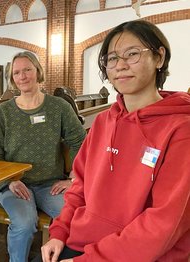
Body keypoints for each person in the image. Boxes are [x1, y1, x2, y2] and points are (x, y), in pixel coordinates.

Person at [41, 20, 190, 262]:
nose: (120, 65)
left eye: (132, 54)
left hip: (141, 255)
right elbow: (79, 186)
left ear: (159, 58)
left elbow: (163, 224)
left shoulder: (181, 129)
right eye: (111, 58)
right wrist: (59, 232)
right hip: (82, 242)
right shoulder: (102, 122)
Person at [0, 51, 86, 262]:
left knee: (75, 219)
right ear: (12, 78)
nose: (22, 76)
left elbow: (80, 142)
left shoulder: (59, 107)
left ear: (38, 72)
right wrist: (10, 180)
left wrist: (74, 179)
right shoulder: (4, 112)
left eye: (27, 70)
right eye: (17, 72)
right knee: (24, 223)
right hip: (13, 184)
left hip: (49, 184)